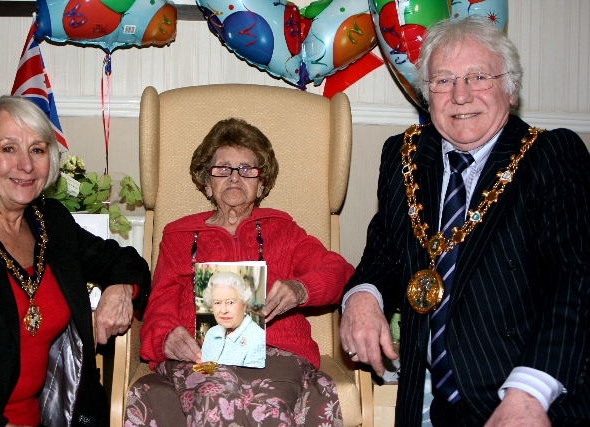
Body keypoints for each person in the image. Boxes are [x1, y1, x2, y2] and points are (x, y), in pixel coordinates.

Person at [340, 16, 590, 427]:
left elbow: (576, 278)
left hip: (530, 394)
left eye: (478, 77)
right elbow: (384, 249)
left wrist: (531, 390)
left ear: (509, 89)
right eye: (443, 80)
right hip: (434, 403)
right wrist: (364, 296)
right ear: (427, 94)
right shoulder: (402, 156)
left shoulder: (551, 156)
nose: (460, 95)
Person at [124, 117, 354, 426]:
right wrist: (166, 337)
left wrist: (300, 288)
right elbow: (158, 308)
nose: (235, 177)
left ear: (262, 185)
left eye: (247, 170)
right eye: (223, 169)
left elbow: (339, 270)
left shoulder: (283, 229)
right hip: (199, 359)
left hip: (276, 354)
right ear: (207, 182)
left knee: (268, 406)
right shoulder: (178, 236)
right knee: (212, 394)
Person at [0, 95, 151, 427]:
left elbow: (124, 260)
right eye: (8, 148)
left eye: (38, 149)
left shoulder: (50, 221)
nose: (26, 165)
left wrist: (120, 291)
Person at [200, 271, 266, 368]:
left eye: (230, 302)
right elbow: (202, 371)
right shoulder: (211, 333)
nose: (223, 310)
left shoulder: (258, 338)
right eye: (217, 303)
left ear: (244, 305)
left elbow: (251, 381)